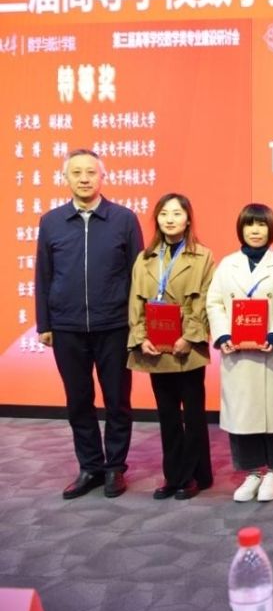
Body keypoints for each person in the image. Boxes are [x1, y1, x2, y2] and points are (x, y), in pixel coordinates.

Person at [36, 149, 144, 499]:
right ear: (65, 178)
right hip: (66, 326)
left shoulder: (123, 219)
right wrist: (44, 323)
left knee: (117, 400)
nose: (84, 178)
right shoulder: (51, 221)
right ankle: (90, 467)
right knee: (78, 400)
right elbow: (44, 274)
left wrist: (138, 323)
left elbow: (138, 276)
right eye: (77, 172)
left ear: (102, 177)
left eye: (91, 172)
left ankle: (115, 467)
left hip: (114, 324)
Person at [127, 193, 215, 500]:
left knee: (193, 415)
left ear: (188, 219)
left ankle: (195, 475)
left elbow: (204, 300)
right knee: (167, 416)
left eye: (177, 213)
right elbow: (135, 302)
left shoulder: (203, 256)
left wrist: (189, 337)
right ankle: (173, 476)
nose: (170, 219)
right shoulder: (145, 258)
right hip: (155, 347)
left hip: (186, 348)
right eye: (164, 214)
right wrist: (141, 337)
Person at [207, 204, 273, 503]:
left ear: (271, 229)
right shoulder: (227, 264)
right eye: (249, 224)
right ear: (241, 229)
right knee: (243, 414)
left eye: (261, 224)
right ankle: (252, 472)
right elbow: (214, 303)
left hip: (271, 352)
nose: (255, 230)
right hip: (238, 353)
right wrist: (223, 335)